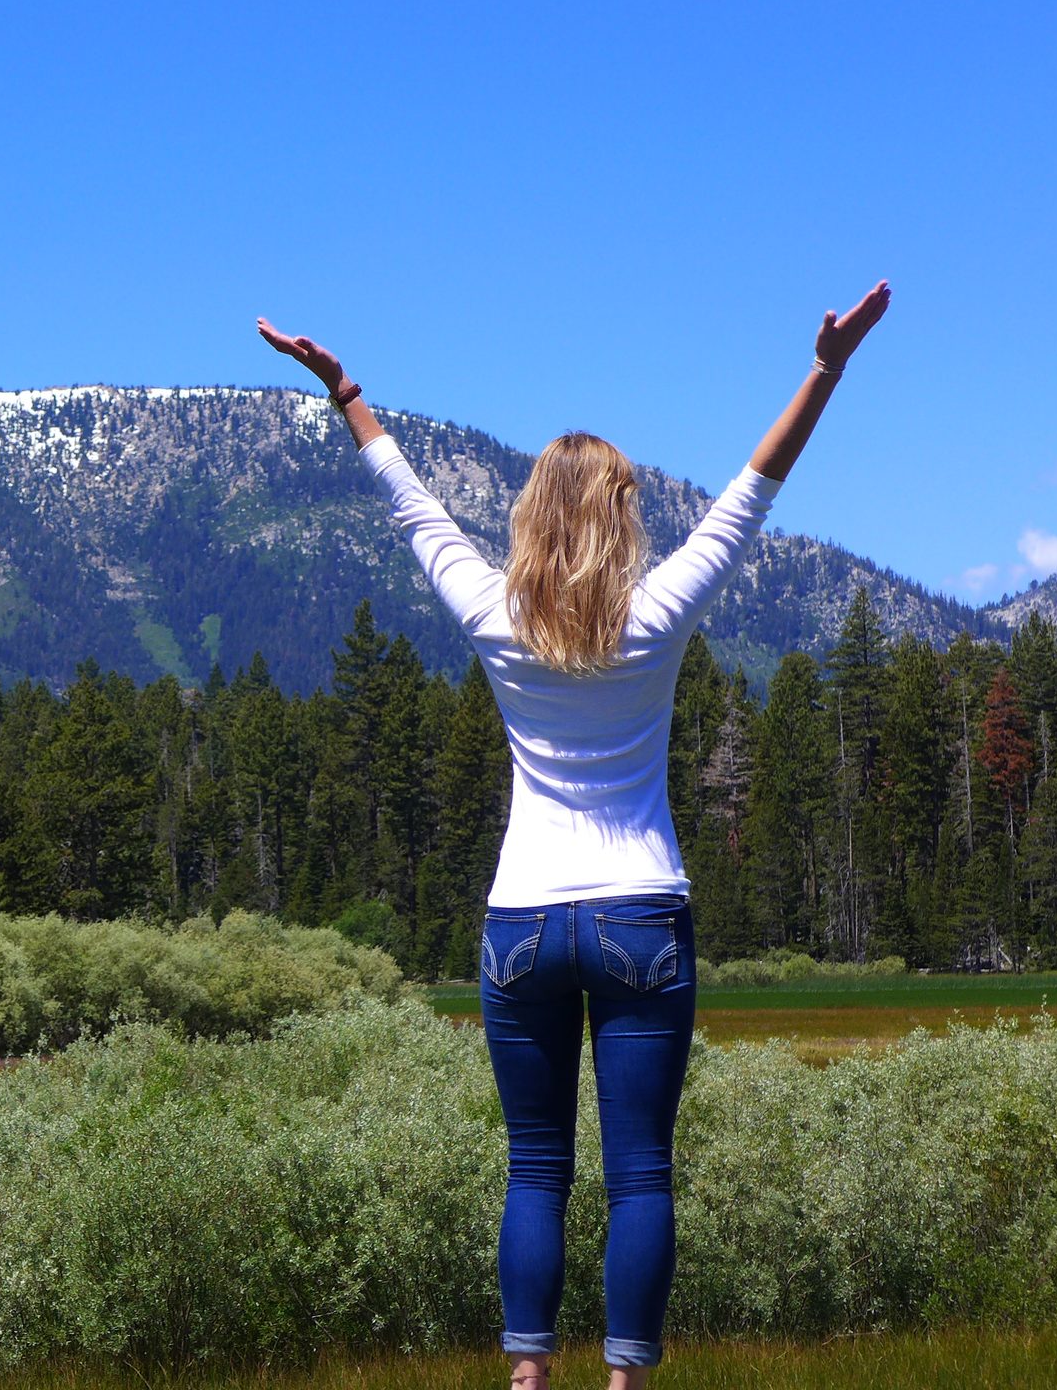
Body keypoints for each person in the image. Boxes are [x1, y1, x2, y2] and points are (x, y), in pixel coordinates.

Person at [258, 281, 891, 1390]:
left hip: (522, 923)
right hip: (639, 911)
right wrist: (827, 367)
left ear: (531, 517)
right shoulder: (658, 614)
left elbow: (411, 506)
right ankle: (626, 1381)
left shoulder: (493, 615)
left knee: (536, 1170)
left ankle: (527, 1379)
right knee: (640, 1173)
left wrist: (347, 392)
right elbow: (755, 489)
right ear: (620, 517)